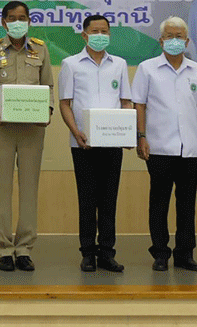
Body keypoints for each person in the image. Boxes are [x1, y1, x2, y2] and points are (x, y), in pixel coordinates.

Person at [0, 1, 53, 272]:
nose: (17, 22)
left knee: (29, 188)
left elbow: (48, 86)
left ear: (29, 21)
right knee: (2, 189)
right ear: (4, 22)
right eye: (12, 18)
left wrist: (47, 111)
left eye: (22, 17)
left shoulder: (41, 50)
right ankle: (4, 248)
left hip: (33, 129)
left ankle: (24, 249)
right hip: (2, 129)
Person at [132, 16, 197, 272]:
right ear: (161, 40)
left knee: (187, 204)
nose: (174, 40)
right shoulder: (147, 69)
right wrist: (141, 136)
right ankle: (160, 253)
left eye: (179, 36)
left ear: (187, 41)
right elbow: (139, 105)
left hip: (190, 147)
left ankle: (185, 254)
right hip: (158, 147)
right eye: (169, 36)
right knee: (159, 202)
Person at [58, 15, 132, 272]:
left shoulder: (119, 64)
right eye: (95, 31)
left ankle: (107, 253)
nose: (100, 35)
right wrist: (76, 131)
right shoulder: (70, 64)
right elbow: (64, 103)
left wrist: (128, 133)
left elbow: (126, 101)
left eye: (104, 31)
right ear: (84, 35)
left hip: (113, 143)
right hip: (83, 143)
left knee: (109, 200)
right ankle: (88, 253)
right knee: (87, 199)